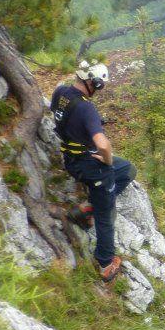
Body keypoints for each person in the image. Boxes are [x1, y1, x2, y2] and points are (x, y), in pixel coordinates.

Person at [49, 60, 136, 283]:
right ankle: (106, 262)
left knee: (127, 169)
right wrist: (106, 160)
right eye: (100, 86)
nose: (99, 91)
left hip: (71, 160)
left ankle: (88, 208)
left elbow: (60, 116)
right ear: (93, 83)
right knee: (106, 216)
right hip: (91, 166)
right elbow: (103, 144)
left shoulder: (61, 92)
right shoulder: (86, 107)